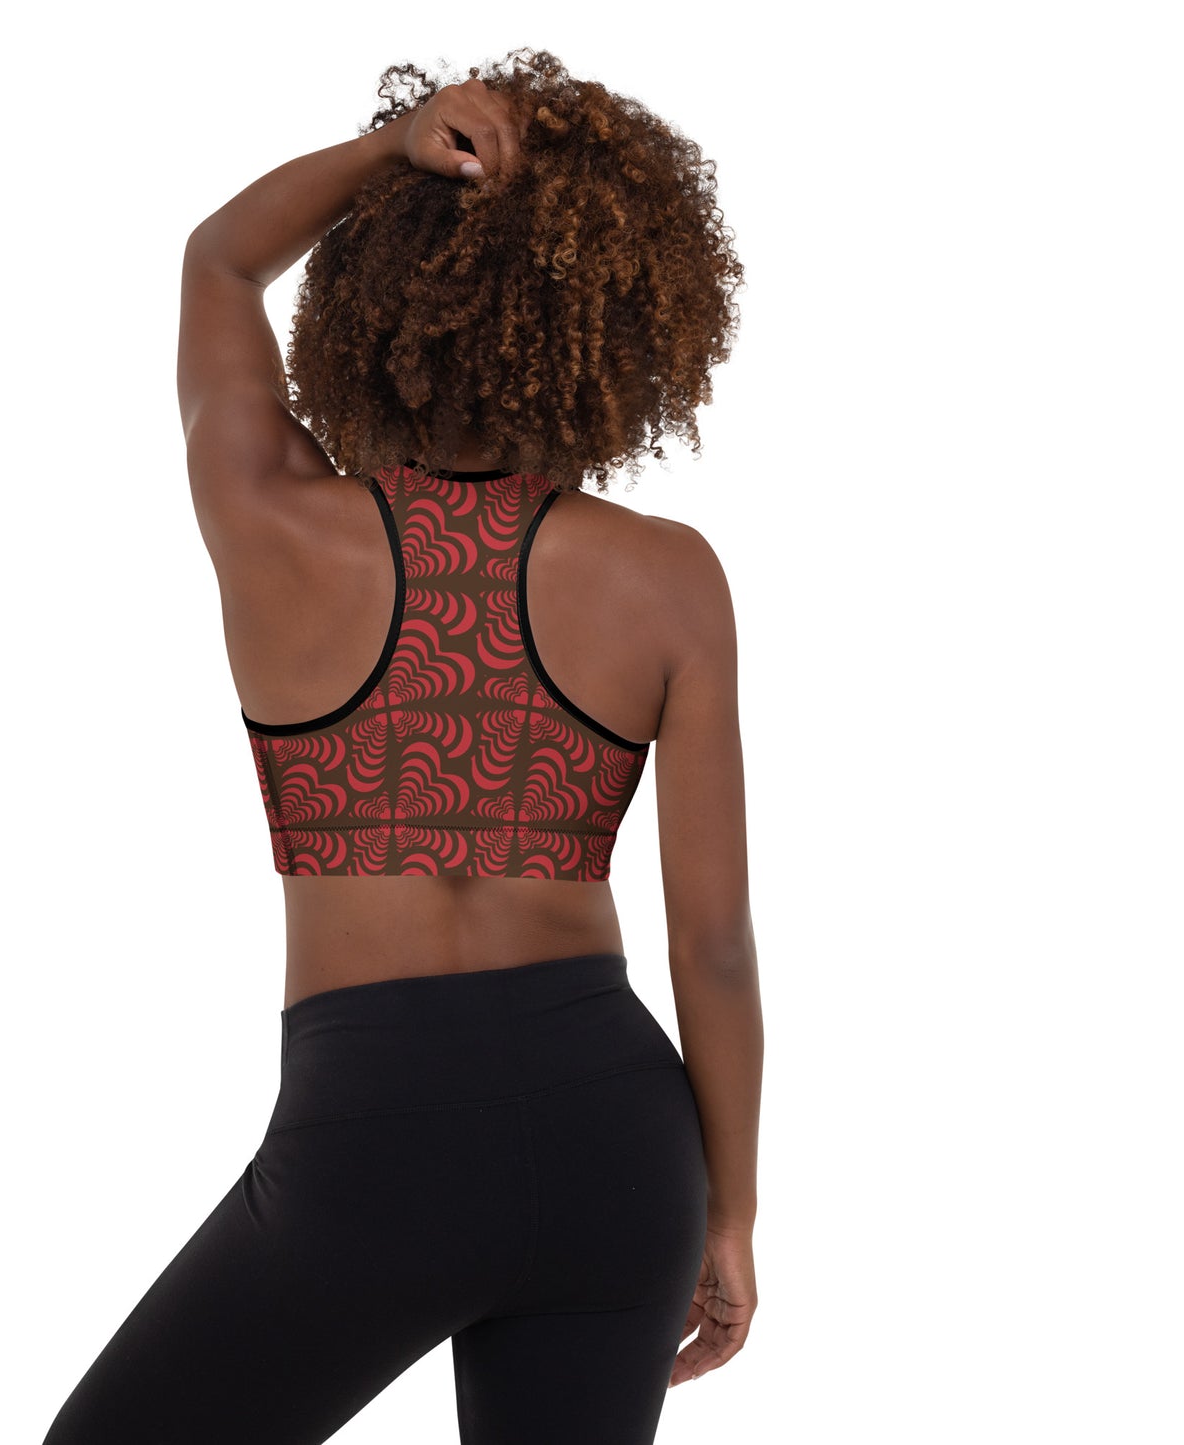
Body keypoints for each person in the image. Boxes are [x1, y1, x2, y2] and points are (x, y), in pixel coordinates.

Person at [42, 47, 762, 1445]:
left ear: (373, 303)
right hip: (619, 1138)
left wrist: (390, 149)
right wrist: (727, 1212)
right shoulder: (669, 576)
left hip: (379, 1136)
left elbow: (217, 263)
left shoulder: (274, 523)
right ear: (618, 327)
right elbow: (716, 944)